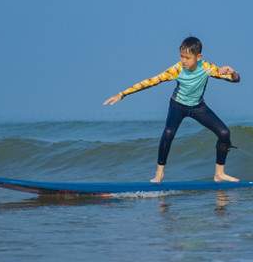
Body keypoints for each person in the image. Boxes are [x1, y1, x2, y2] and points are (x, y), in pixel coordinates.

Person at [103, 36, 241, 183]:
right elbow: (150, 81)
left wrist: (232, 72)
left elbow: (236, 79)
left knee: (224, 133)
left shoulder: (207, 67)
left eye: (187, 57)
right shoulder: (176, 69)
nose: (183, 61)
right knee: (168, 133)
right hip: (178, 105)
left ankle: (219, 173)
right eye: (182, 56)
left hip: (198, 107)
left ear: (198, 57)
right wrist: (122, 94)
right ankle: (159, 174)